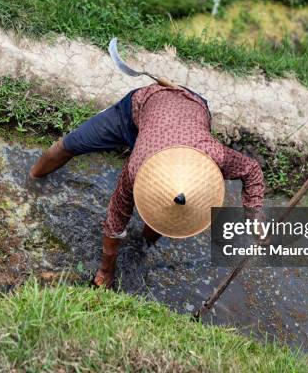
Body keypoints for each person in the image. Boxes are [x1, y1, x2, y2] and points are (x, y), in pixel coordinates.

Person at [29, 84, 265, 288]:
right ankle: (31, 177)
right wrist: (106, 270)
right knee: (70, 144)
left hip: (192, 106)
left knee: (172, 206)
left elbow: (252, 171)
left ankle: (144, 244)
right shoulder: (138, 168)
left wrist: (254, 218)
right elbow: (116, 216)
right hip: (142, 106)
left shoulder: (213, 156)